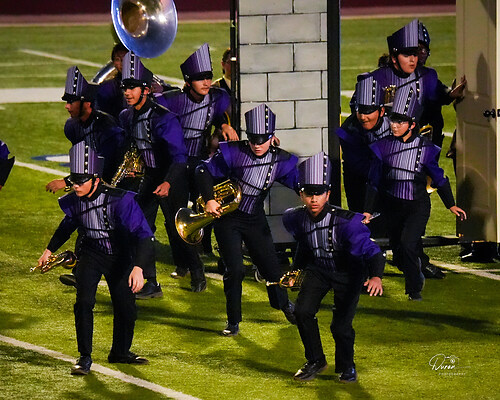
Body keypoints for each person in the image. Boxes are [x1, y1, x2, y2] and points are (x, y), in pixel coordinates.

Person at [37, 141, 153, 375]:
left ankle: (120, 352)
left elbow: (144, 235)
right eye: (74, 180)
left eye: (81, 181)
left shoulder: (121, 200)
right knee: (83, 303)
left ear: (96, 180)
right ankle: (84, 357)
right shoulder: (75, 200)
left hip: (121, 256)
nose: (75, 186)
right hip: (91, 253)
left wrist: (139, 267)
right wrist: (49, 249)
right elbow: (67, 225)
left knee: (126, 307)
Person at [195, 104, 298, 336]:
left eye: (263, 140)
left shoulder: (280, 159)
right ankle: (233, 321)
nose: (257, 144)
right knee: (236, 269)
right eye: (253, 139)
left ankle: (284, 305)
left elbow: (297, 182)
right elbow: (202, 171)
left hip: (254, 217)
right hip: (228, 218)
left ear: (272, 137)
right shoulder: (233, 152)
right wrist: (209, 200)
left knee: (271, 266)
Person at [283, 152, 384, 383]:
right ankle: (315, 360)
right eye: (309, 193)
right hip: (319, 270)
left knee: (340, 327)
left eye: (319, 193)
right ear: (301, 194)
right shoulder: (295, 218)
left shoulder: (347, 223)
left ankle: (347, 366)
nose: (314, 199)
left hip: (349, 273)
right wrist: (296, 270)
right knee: (302, 312)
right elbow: (305, 244)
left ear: (328, 194)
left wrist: (376, 276)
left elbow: (373, 251)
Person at [363, 85, 467, 301]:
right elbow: (373, 182)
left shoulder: (425, 149)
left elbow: (439, 179)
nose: (394, 125)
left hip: (417, 206)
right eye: (392, 121)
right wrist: (368, 211)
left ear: (411, 124)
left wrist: (451, 204)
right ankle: (414, 272)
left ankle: (414, 289)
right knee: (399, 250)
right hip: (392, 207)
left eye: (400, 122)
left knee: (408, 244)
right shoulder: (381, 147)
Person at [119, 51, 207, 295]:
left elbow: (179, 157)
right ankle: (150, 282)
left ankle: (197, 271)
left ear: (146, 90)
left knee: (179, 228)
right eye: (125, 87)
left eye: (132, 87)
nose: (127, 92)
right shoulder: (127, 116)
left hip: (173, 177)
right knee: (141, 227)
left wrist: (168, 183)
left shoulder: (164, 118)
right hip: (149, 177)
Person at [157, 43, 238, 276]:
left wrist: (223, 125)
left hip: (200, 162)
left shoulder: (217, 97)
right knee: (176, 215)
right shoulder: (173, 100)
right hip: (176, 164)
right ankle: (183, 263)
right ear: (188, 80)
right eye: (200, 78)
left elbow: (219, 113)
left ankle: (209, 249)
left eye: (208, 77)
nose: (206, 82)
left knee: (210, 206)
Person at [46, 66, 125, 194]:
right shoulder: (72, 126)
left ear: (87, 103)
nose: (67, 106)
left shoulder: (107, 127)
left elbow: (107, 165)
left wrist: (67, 181)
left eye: (71, 102)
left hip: (116, 183)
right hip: (93, 182)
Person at [335, 74, 390, 238]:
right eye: (360, 111)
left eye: (368, 111)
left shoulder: (395, 122)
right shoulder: (347, 131)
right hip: (360, 181)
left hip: (386, 178)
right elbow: (360, 167)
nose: (363, 117)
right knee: (367, 228)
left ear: (381, 110)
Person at [95, 43, 129, 120]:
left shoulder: (147, 83)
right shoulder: (106, 88)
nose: (122, 63)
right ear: (113, 63)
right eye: (118, 59)